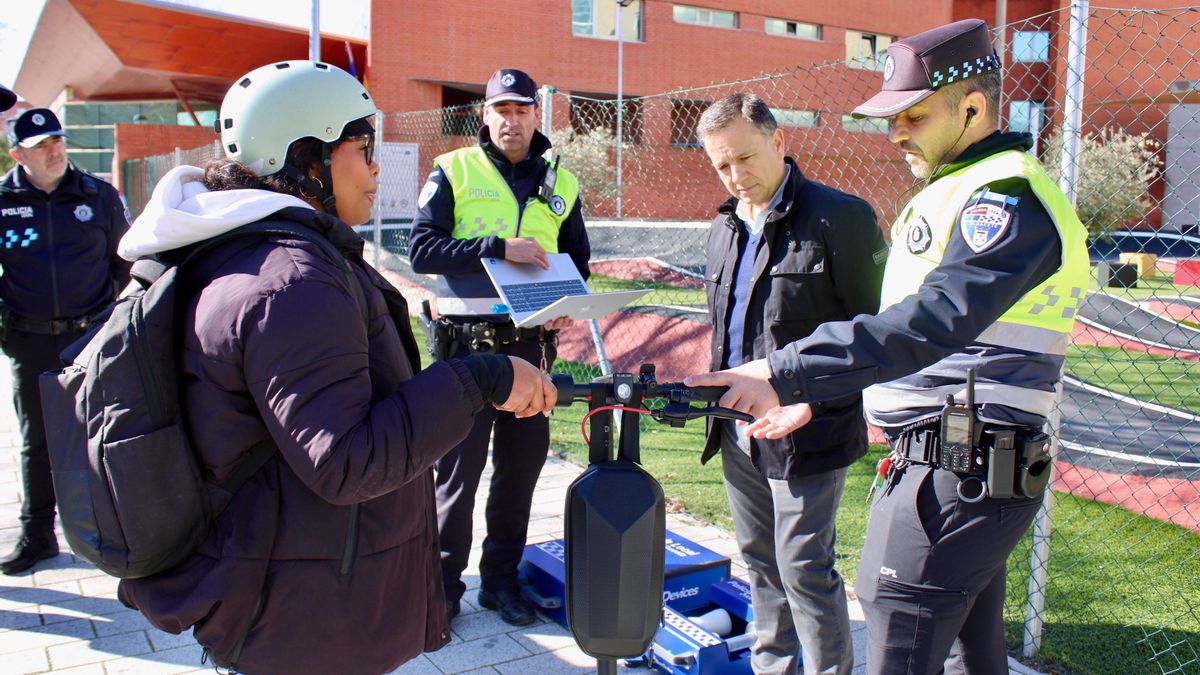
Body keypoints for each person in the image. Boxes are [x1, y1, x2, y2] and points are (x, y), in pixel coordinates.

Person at [115, 61, 557, 674]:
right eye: (362, 147)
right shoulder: (293, 282)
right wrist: (485, 377)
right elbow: (349, 459)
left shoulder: (250, 253)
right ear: (306, 156)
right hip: (301, 610)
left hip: (286, 580)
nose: (376, 168)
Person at [686, 19, 1090, 674]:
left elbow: (931, 319)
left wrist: (788, 373)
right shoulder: (959, 191)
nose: (896, 133)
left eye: (914, 116)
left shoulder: (1005, 197)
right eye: (892, 118)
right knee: (969, 652)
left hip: (961, 463)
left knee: (899, 622)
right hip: (948, 459)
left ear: (972, 107)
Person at [695, 93, 887, 675]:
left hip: (808, 428)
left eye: (745, 158)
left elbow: (873, 336)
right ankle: (774, 667)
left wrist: (813, 403)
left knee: (804, 567)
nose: (736, 176)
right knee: (759, 561)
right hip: (736, 424)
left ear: (779, 141)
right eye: (722, 165)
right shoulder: (724, 226)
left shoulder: (839, 218)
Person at [409, 67, 591, 626]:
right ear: (485, 115)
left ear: (537, 115)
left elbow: (578, 261)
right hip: (467, 351)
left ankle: (500, 584)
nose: (512, 120)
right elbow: (421, 250)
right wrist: (497, 247)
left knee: (519, 475)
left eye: (521, 110)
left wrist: (568, 301)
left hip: (531, 350)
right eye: (501, 110)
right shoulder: (453, 169)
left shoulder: (563, 183)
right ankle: (441, 591)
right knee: (456, 477)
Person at [0, 104, 131, 574]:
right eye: (40, 146)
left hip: (91, 340)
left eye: (57, 140)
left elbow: (127, 261)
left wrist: (111, 320)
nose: (54, 151)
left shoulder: (98, 195)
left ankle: (113, 534)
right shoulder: (3, 201)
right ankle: (38, 536)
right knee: (37, 443)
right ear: (18, 155)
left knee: (103, 436)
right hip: (30, 341)